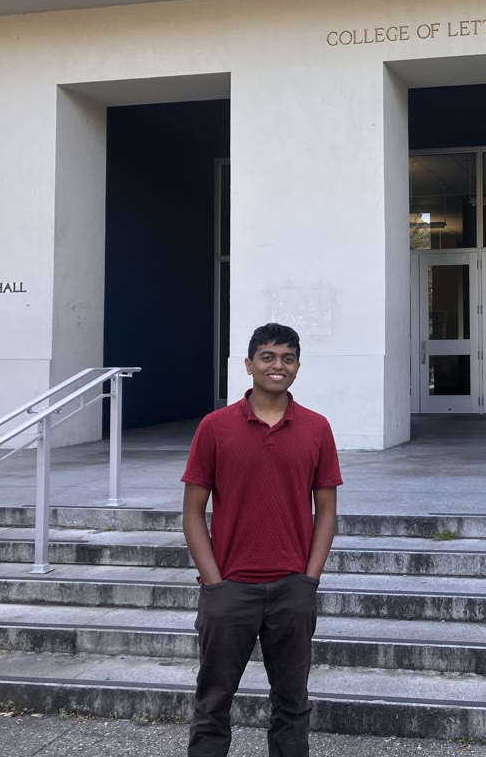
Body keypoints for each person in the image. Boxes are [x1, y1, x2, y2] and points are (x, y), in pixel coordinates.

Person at [181, 322, 343, 757]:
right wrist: (213, 582)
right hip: (230, 589)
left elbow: (326, 510)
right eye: (268, 357)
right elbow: (193, 511)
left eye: (287, 358)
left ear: (297, 367)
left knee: (292, 705)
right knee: (213, 703)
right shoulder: (215, 427)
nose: (278, 366)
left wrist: (309, 579)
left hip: (292, 588)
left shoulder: (316, 428)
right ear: (249, 364)